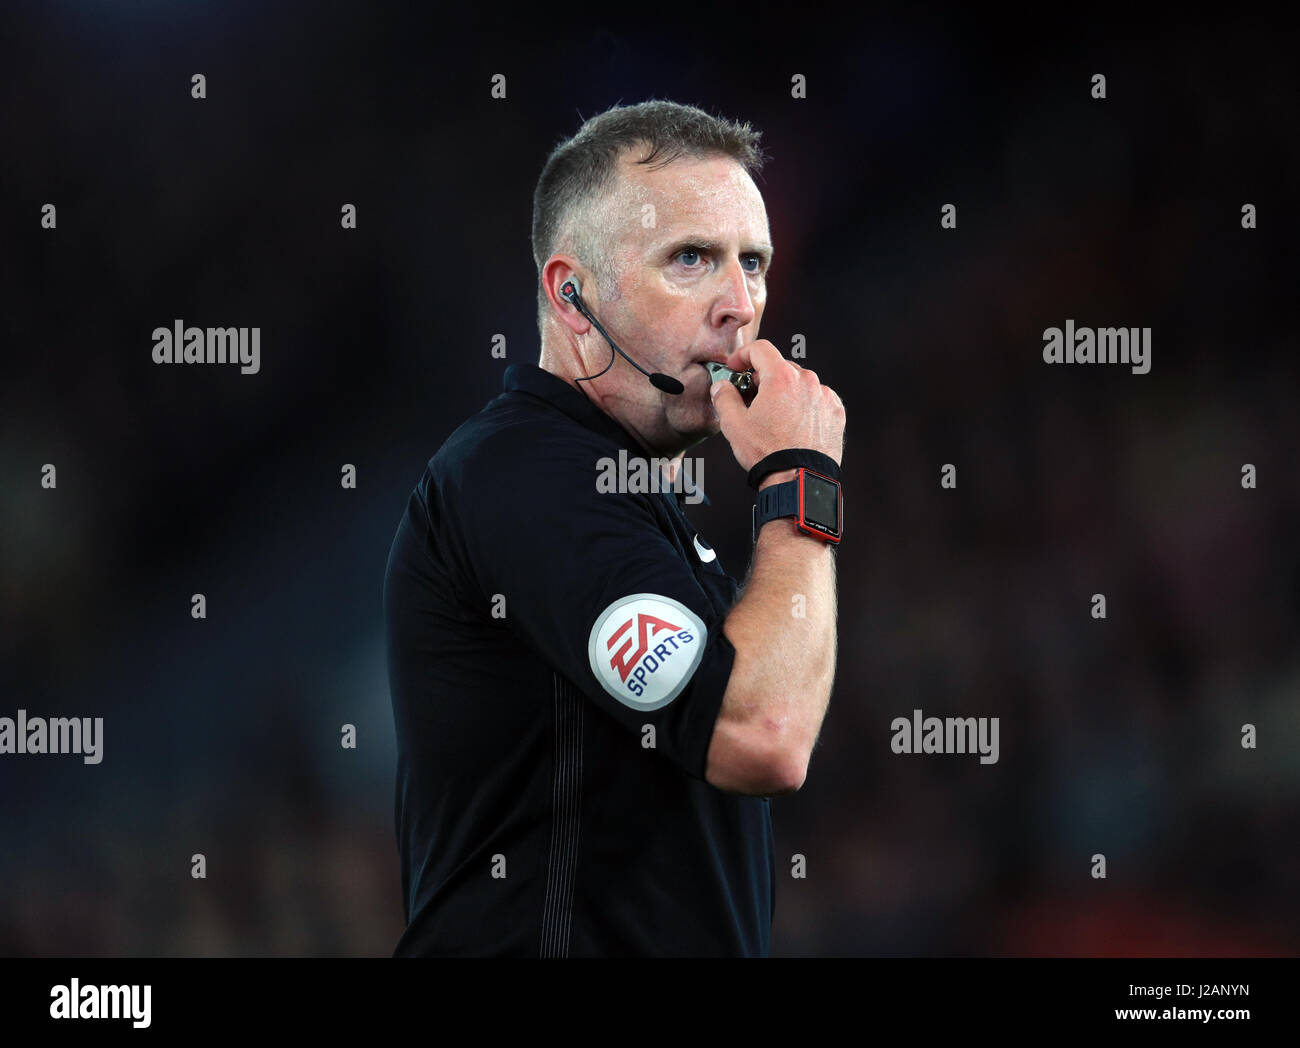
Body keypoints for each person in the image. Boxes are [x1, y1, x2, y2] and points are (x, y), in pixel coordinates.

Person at [383, 99, 845, 957]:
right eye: (692, 259)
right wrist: (800, 481)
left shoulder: (641, 509)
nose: (740, 304)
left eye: (755, 263)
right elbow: (763, 734)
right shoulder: (519, 473)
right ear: (573, 296)